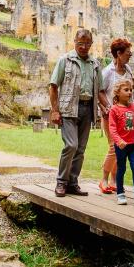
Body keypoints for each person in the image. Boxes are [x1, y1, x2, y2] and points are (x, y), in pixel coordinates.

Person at [49, 29, 110, 197]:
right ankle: (61, 182)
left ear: (91, 44)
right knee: (71, 145)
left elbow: (101, 91)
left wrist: (108, 107)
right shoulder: (65, 60)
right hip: (68, 109)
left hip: (87, 109)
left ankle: (72, 183)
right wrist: (54, 111)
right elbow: (53, 86)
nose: (83, 47)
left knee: (80, 149)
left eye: (87, 43)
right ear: (74, 42)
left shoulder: (95, 64)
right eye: (80, 43)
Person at [99, 38, 134, 194]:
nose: (130, 55)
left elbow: (131, 91)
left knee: (122, 148)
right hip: (110, 116)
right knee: (114, 147)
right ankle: (104, 179)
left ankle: (114, 180)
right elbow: (99, 91)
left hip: (125, 117)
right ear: (118, 54)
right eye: (127, 53)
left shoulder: (129, 71)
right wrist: (108, 107)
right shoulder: (107, 72)